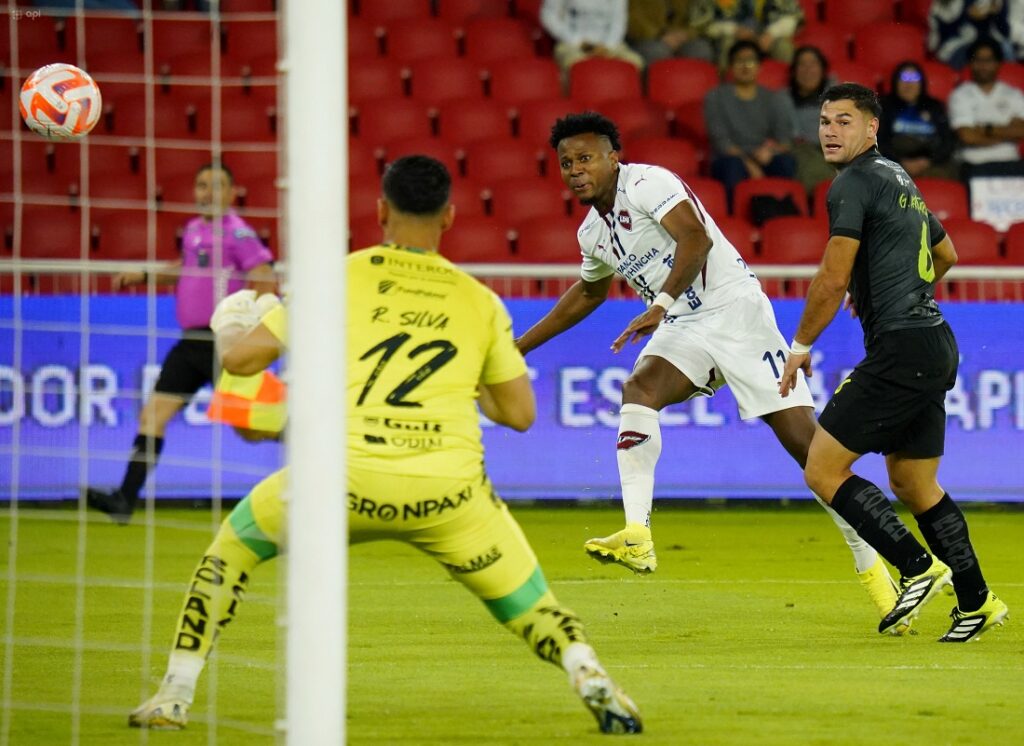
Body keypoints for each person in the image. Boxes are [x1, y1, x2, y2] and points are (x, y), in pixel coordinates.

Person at [128, 156, 643, 735]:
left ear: (379, 212)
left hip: (339, 485)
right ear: (449, 216)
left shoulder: (337, 278)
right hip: (448, 495)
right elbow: (519, 415)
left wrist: (234, 332)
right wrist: (466, 376)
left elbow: (243, 361)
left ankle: (174, 693)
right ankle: (587, 671)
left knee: (232, 547)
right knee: (529, 602)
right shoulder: (478, 302)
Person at [514, 111, 916, 635]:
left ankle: (878, 572)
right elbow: (589, 292)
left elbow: (696, 240)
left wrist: (658, 303)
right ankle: (638, 533)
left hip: (736, 313)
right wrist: (519, 346)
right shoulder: (593, 231)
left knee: (813, 456)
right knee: (639, 392)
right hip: (685, 323)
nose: (575, 169)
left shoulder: (648, 183)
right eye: (567, 162)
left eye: (586, 157)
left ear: (614, 157)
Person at [778, 83, 1009, 642]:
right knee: (913, 480)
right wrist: (903, 289)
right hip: (933, 342)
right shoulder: (898, 178)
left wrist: (801, 345)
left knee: (822, 468)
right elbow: (947, 253)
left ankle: (916, 566)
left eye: (844, 121)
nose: (830, 131)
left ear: (871, 128)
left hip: (902, 349)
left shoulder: (853, 183)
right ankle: (977, 602)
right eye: (825, 121)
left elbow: (833, 277)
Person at [85, 163, 276, 523]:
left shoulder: (238, 234)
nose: (207, 193)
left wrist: (252, 329)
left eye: (216, 186)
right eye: (201, 185)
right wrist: (144, 275)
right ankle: (125, 500)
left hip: (224, 344)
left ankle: (311, 451)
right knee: (153, 414)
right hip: (190, 343)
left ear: (232, 193)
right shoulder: (194, 230)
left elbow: (264, 275)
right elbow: (186, 267)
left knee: (252, 429)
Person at [705, 40, 797, 209]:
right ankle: (737, 217)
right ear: (731, 66)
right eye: (740, 61)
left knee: (785, 163)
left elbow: (784, 140)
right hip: (730, 158)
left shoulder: (773, 98)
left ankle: (780, 214)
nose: (745, 66)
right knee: (733, 166)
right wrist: (749, 163)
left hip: (762, 155)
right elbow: (721, 141)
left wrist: (771, 150)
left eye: (751, 61)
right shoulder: (715, 97)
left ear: (759, 66)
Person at [947, 36, 1024, 179]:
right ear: (970, 63)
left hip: (1012, 163)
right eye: (978, 60)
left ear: (999, 63)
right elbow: (967, 136)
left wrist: (985, 129)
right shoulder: (960, 95)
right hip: (974, 164)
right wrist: (1007, 133)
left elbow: (1021, 130)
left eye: (989, 60)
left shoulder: (1014, 95)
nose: (983, 66)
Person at [878, 61, 958, 180]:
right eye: (904, 78)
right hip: (895, 162)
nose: (908, 84)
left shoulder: (934, 107)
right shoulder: (884, 106)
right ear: (895, 82)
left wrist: (928, 161)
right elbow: (880, 141)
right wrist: (901, 162)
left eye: (914, 78)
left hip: (930, 162)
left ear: (922, 83)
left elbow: (947, 141)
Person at [689, 0, 803, 69]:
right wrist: (733, 30)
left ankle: (790, 95)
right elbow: (701, 24)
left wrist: (771, 34)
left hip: (767, 36)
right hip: (730, 36)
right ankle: (726, 89)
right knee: (727, 43)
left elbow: (793, 17)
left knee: (783, 47)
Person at [540, 0, 645, 73]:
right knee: (578, 65)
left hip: (610, 43)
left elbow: (619, 21)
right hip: (572, 43)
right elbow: (549, 16)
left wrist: (607, 47)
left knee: (635, 63)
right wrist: (577, 41)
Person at [787, 45, 835, 195]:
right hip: (805, 152)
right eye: (802, 65)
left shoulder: (836, 95)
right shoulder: (784, 99)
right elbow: (793, 136)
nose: (808, 70)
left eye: (813, 64)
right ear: (794, 71)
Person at [928, 0, 1014, 69]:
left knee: (1006, 48)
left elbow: (1004, 32)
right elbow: (942, 30)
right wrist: (967, 15)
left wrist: (997, 13)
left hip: (983, 43)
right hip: (955, 45)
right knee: (977, 56)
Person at [626, 0, 715, 65]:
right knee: (658, 52)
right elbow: (632, 21)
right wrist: (659, 35)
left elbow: (698, 19)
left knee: (701, 50)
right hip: (647, 38)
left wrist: (686, 34)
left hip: (681, 37)